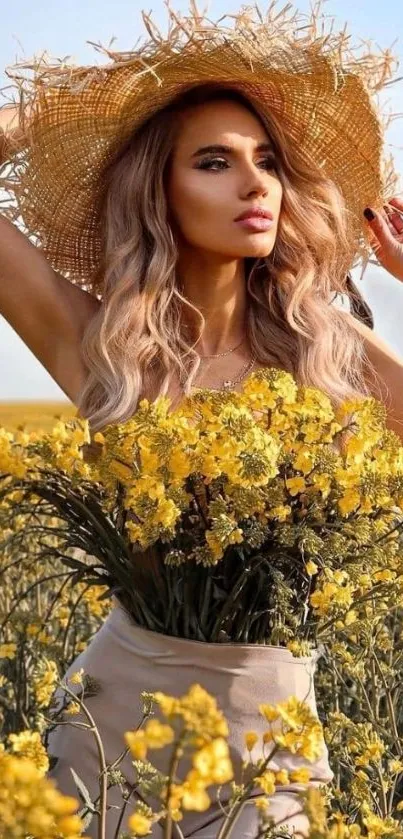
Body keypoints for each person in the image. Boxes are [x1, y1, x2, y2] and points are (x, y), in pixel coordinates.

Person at [1, 3, 403, 837]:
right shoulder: (101, 347)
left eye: (266, 162)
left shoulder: (326, 349)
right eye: (214, 162)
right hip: (109, 737)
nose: (254, 183)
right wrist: (83, 105)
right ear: (160, 190)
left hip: (268, 744)